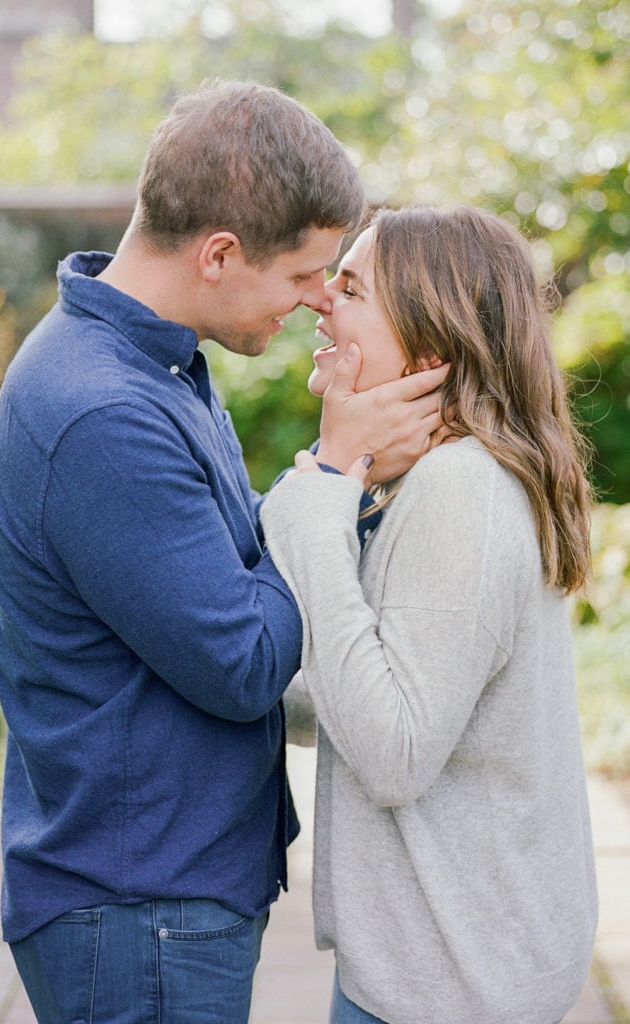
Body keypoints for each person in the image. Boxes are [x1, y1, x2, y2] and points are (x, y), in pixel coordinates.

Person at [0, 80, 448, 1024]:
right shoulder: (105, 411)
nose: (321, 300)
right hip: (137, 905)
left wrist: (316, 494)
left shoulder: (150, 362)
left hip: (150, 892)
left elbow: (229, 568)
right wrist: (330, 472)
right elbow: (242, 661)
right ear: (220, 253)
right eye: (305, 274)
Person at [260, 205, 598, 1024]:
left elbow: (394, 750)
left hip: (451, 986)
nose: (320, 302)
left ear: (428, 348)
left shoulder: (462, 493)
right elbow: (363, 689)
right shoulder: (427, 483)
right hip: (439, 967)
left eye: (350, 287)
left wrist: (315, 497)